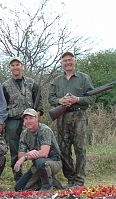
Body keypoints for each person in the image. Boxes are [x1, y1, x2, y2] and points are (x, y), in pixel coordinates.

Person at [48, 51, 95, 187]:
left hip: (79, 115)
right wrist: (60, 100)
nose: (68, 63)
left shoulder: (84, 78)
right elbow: (51, 99)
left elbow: (91, 97)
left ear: (75, 62)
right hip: (62, 116)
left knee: (80, 148)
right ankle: (70, 178)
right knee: (63, 149)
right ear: (61, 64)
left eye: (70, 60)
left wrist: (77, 99)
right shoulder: (57, 80)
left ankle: (79, 181)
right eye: (65, 61)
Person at [2, 57, 44, 181]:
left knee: (36, 146)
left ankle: (37, 175)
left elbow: (39, 99)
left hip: (30, 120)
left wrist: (39, 112)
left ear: (22, 66)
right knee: (15, 150)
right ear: (10, 68)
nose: (15, 67)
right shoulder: (5, 85)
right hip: (13, 120)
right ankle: (18, 177)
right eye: (13, 65)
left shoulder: (31, 83)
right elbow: (2, 104)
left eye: (17, 64)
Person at [14, 108, 62, 192]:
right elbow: (20, 155)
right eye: (26, 118)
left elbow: (44, 153)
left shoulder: (44, 130)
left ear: (37, 118)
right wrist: (29, 154)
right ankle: (51, 182)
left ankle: (47, 187)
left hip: (54, 162)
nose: (28, 121)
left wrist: (26, 156)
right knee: (19, 188)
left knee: (40, 161)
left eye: (31, 118)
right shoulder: (24, 133)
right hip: (37, 165)